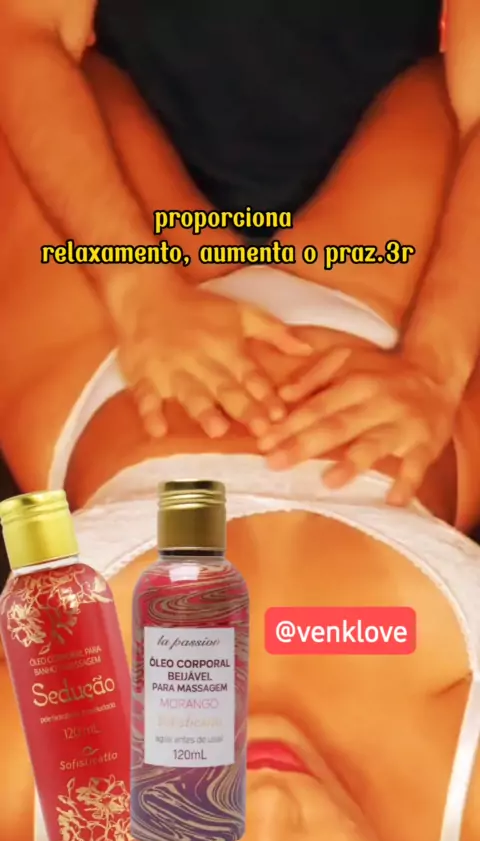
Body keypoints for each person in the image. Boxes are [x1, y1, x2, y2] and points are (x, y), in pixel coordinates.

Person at [1, 11, 480, 841]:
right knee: (452, 90)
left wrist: (137, 290)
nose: (264, 804)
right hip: (391, 341)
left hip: (107, 376)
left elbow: (18, 43)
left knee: (44, 72)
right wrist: (438, 364)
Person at [1, 0, 480, 505]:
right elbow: (27, 32)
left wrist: (435, 366)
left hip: (390, 203)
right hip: (125, 211)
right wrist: (137, 289)